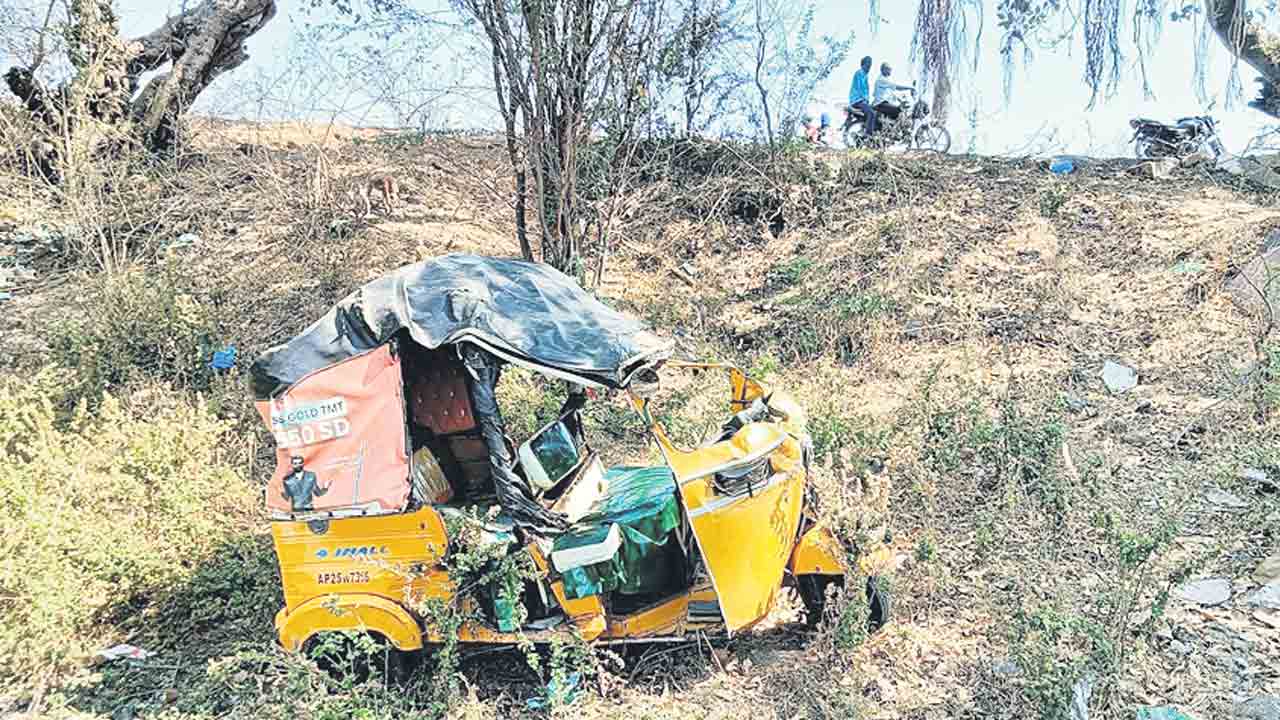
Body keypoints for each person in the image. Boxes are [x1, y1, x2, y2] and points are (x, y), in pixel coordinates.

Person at [872, 62, 913, 129]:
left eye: (890, 69)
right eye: (888, 69)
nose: (890, 70)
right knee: (899, 110)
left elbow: (892, 94)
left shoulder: (886, 80)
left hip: (883, 103)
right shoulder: (882, 79)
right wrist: (910, 88)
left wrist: (901, 100)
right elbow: (897, 87)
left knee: (898, 111)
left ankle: (891, 128)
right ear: (883, 70)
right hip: (880, 104)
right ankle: (894, 129)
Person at [848, 56, 876, 136]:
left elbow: (866, 90)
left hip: (862, 100)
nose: (869, 67)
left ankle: (864, 129)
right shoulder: (859, 73)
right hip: (857, 100)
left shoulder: (865, 75)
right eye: (868, 65)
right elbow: (861, 88)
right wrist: (865, 100)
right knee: (872, 113)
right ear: (863, 64)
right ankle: (868, 135)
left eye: (870, 65)